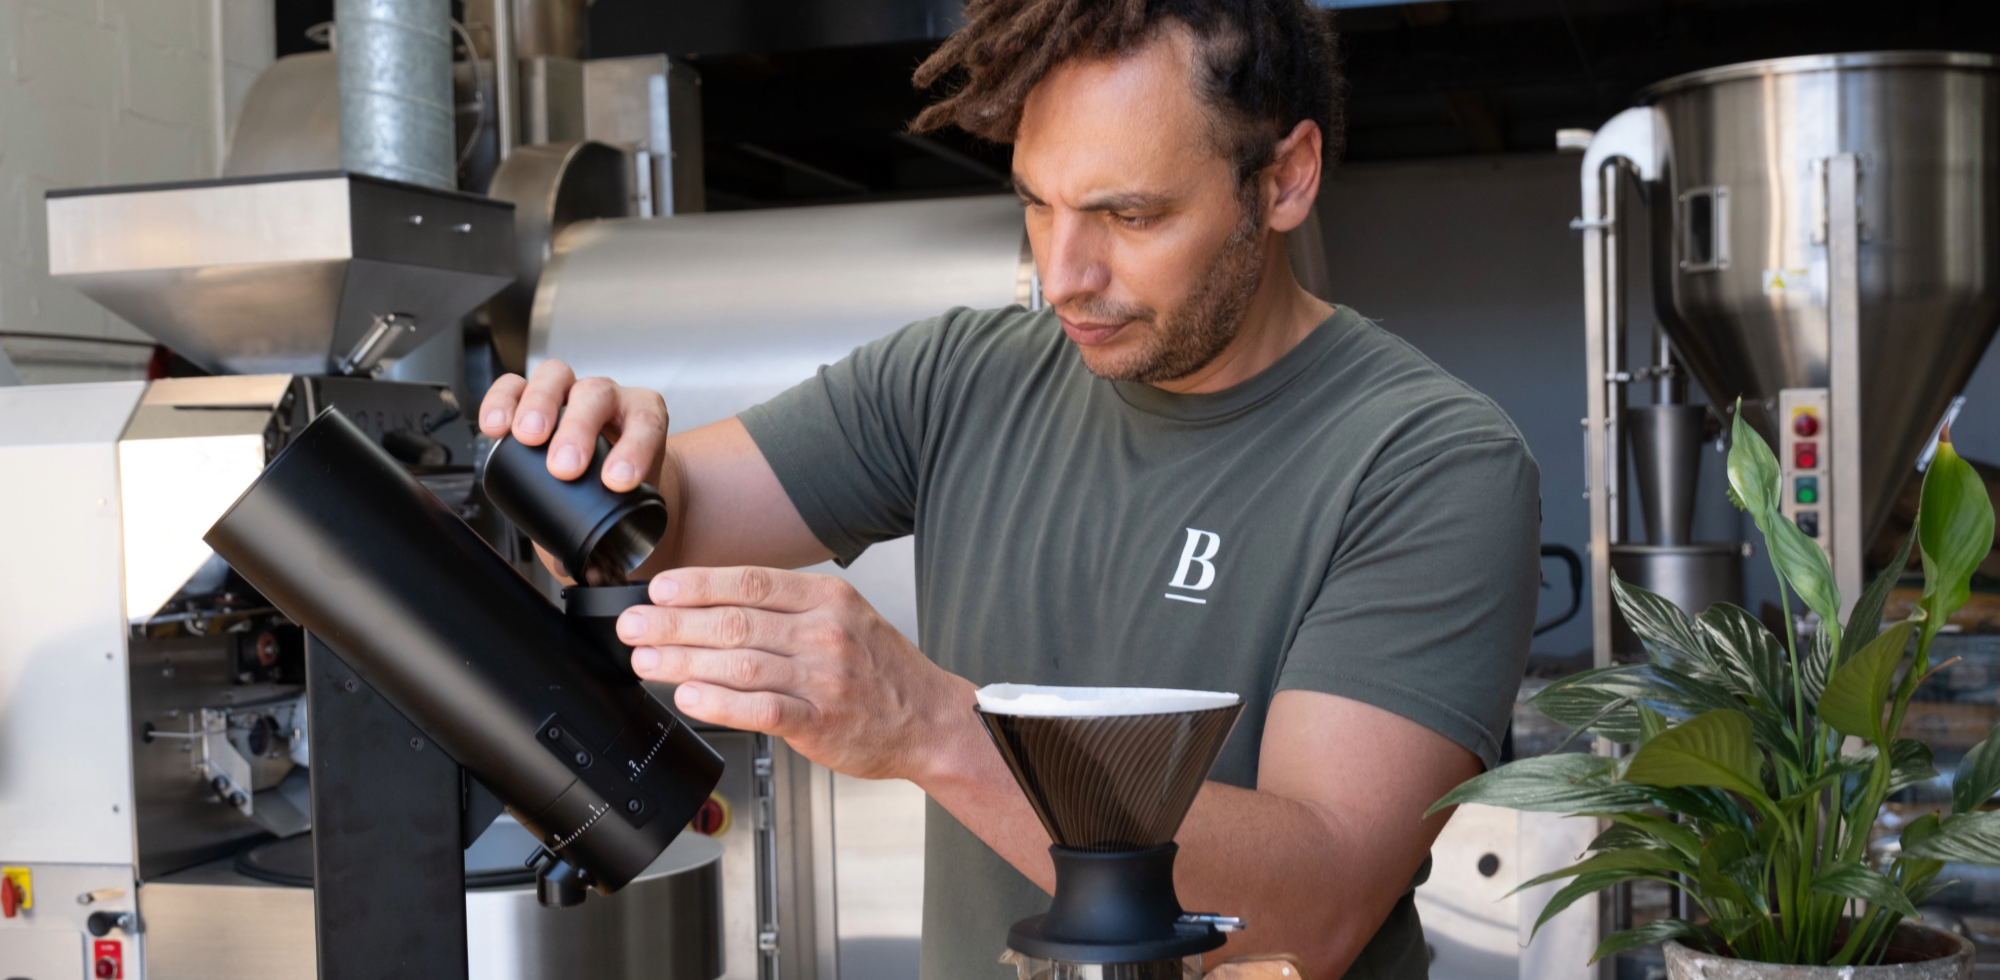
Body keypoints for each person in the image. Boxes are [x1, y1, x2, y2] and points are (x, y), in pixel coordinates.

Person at [478, 1, 1540, 976]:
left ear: (1283, 177)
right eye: (1036, 202)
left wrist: (935, 726)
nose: (1063, 272)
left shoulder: (1428, 460)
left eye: (1128, 215)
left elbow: (1314, 906)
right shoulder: (958, 377)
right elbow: (649, 536)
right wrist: (591, 461)